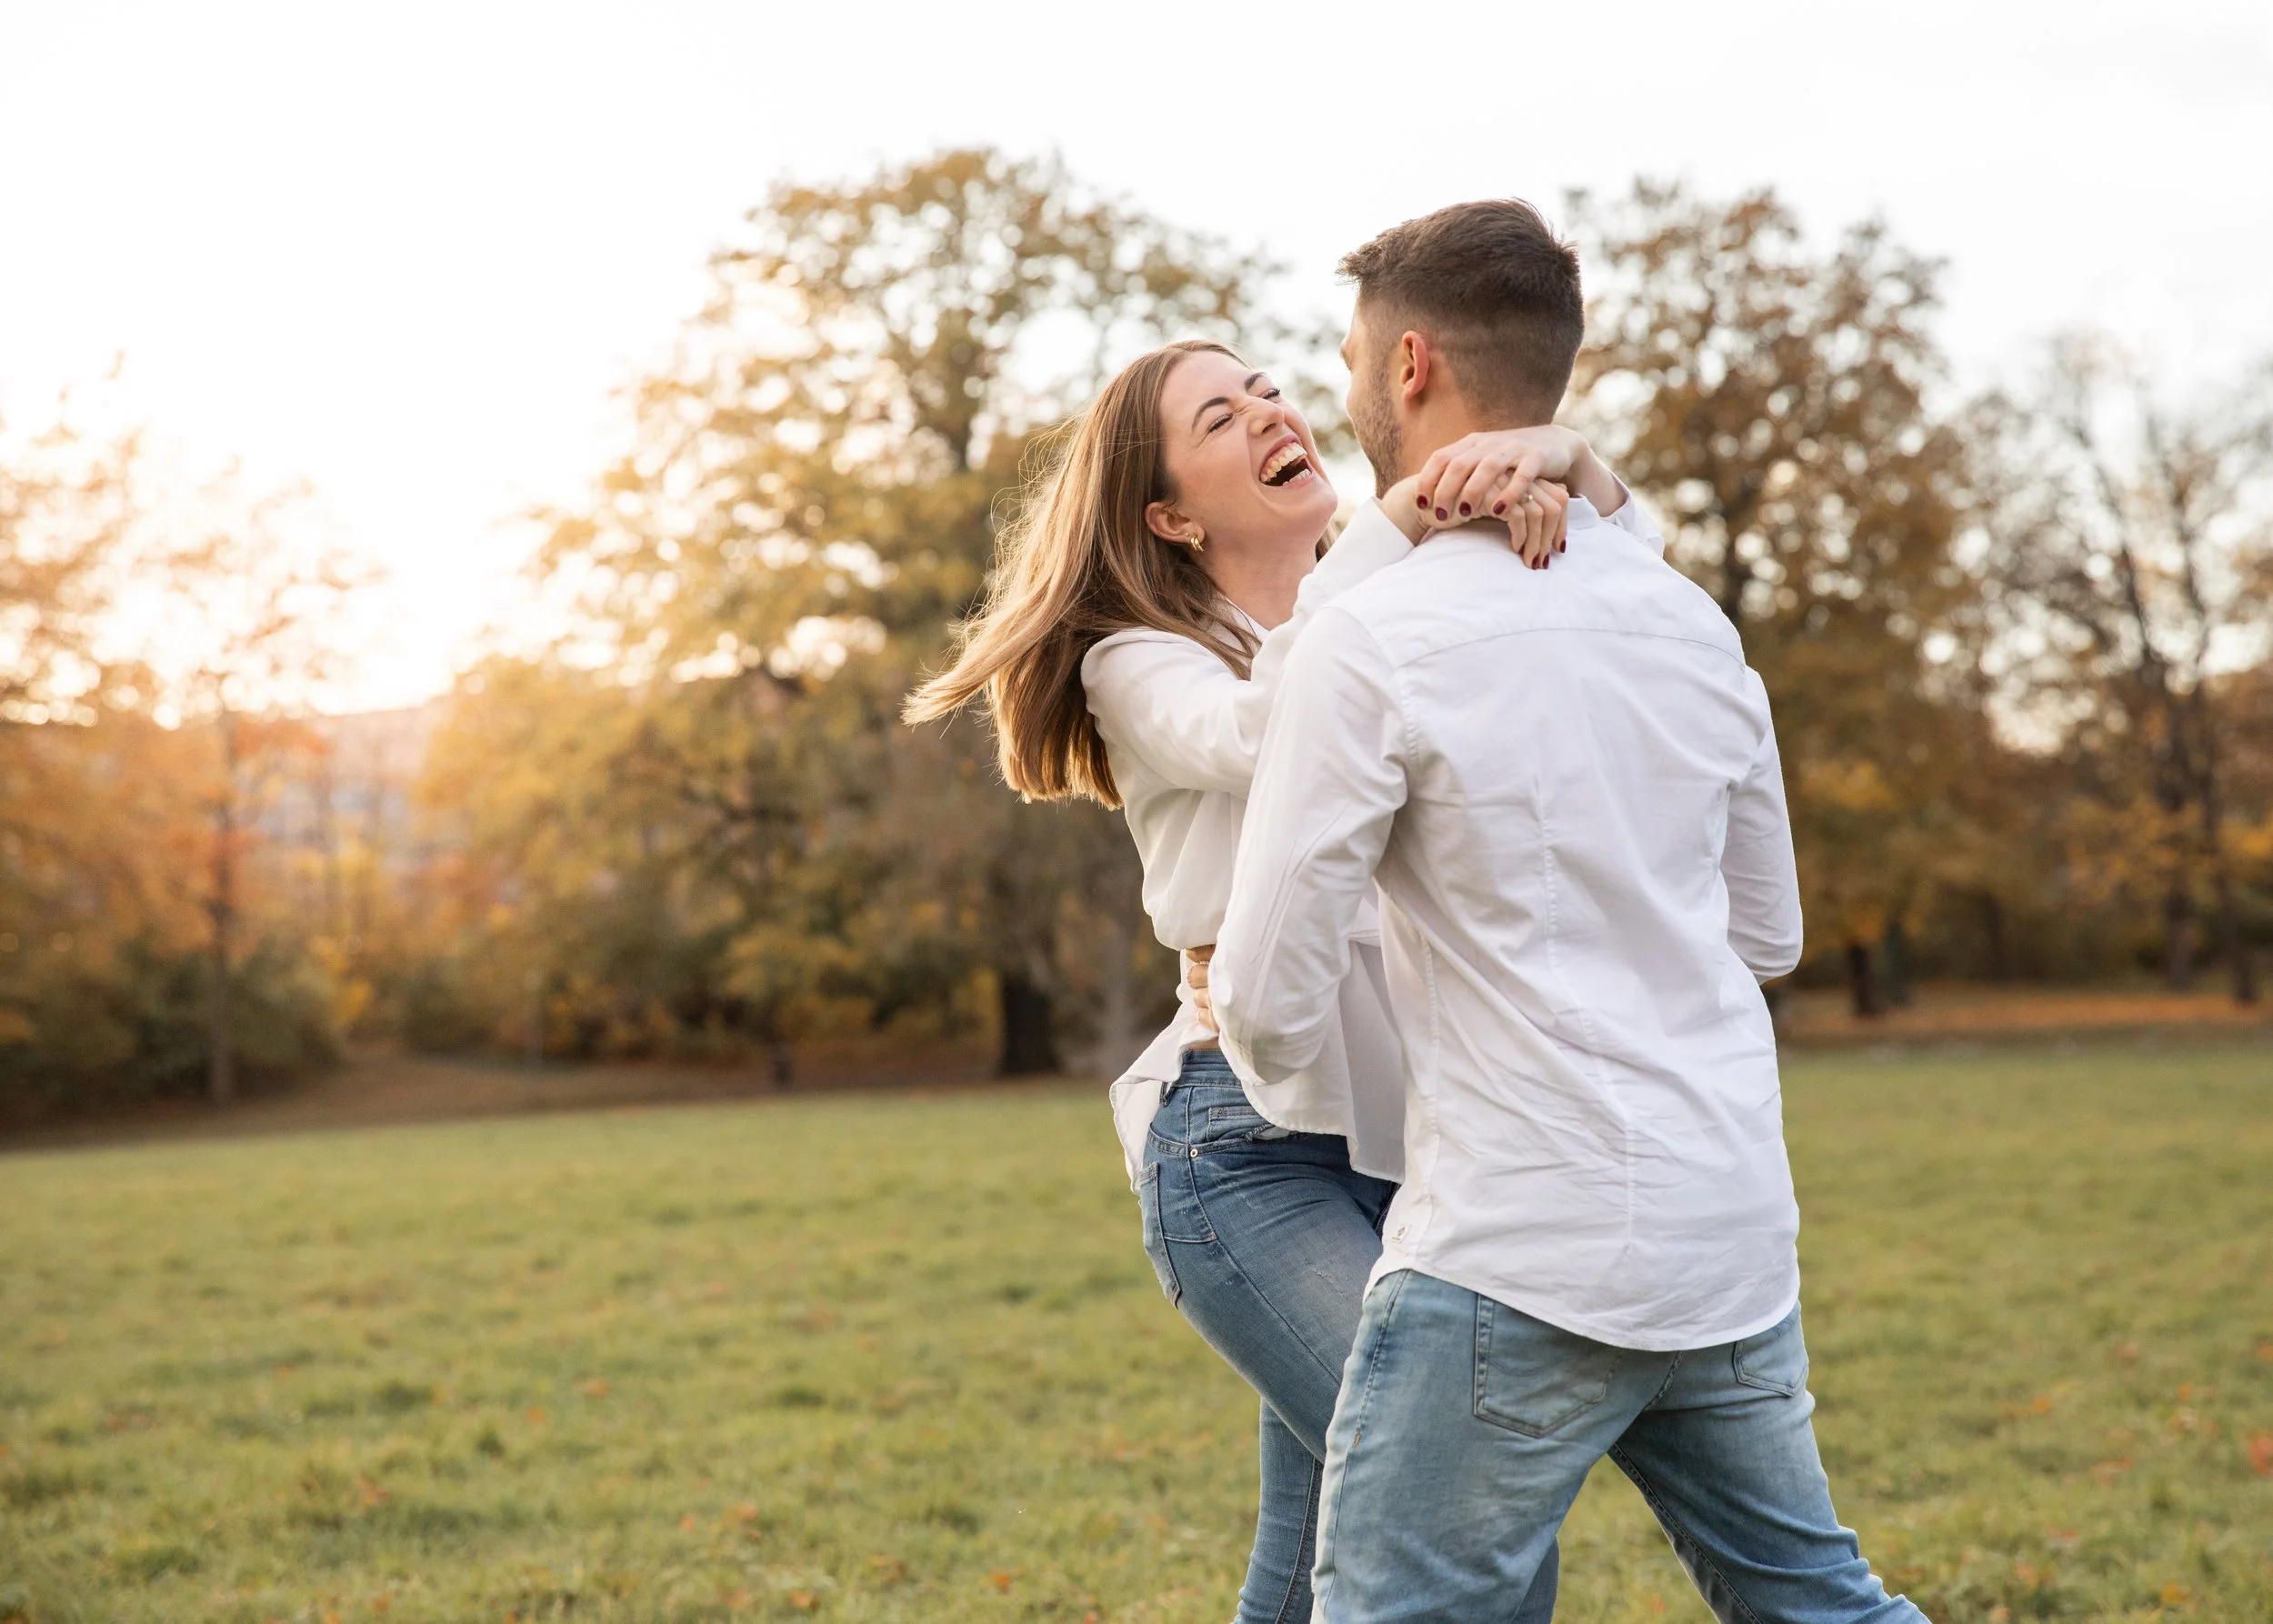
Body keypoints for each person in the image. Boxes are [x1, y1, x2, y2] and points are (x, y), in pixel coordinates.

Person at [1202, 199, 1929, 1623]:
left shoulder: (1369, 636)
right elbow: (1766, 936)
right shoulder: (1691, 619)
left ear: (1409, 365)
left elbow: (1272, 992)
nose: (1343, 392)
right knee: (1820, 1601)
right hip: (1724, 1229)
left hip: (1511, 1253)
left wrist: (1337, 1111)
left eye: (1350, 361)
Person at [905, 336, 1657, 1622]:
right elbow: (1269, 728)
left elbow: (1619, 619)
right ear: (1169, 512)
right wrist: (1409, 520)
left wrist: (1561, 476)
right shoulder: (1137, 660)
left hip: (1414, 1146)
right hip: (1246, 1154)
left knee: (1320, 1552)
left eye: (1266, 385)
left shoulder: (1393, 595)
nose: (1269, 408)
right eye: (1219, 413)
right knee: (1460, 1503)